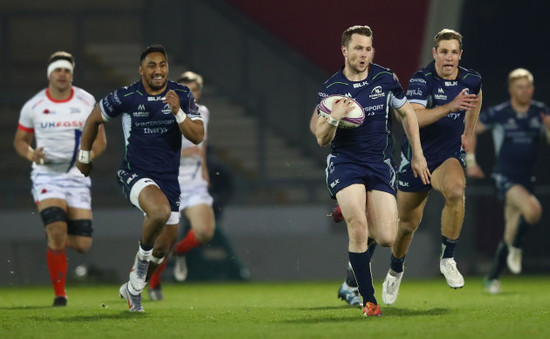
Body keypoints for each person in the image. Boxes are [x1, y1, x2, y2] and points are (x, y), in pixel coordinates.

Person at [76, 45, 204, 312]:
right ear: (141, 69)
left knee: (164, 248)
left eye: (162, 65)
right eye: (152, 65)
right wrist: (85, 157)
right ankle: (141, 261)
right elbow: (93, 120)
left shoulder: (181, 94)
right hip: (134, 172)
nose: (158, 70)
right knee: (159, 212)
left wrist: (178, 111)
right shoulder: (127, 95)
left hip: (169, 178)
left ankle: (133, 288)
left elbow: (197, 136)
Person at [313, 25, 430, 317]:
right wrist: (335, 118)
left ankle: (350, 207)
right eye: (357, 48)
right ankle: (369, 301)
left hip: (378, 164)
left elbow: (407, 114)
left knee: (387, 237)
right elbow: (321, 138)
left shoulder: (385, 79)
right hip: (345, 163)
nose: (363, 54)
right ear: (345, 51)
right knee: (359, 227)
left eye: (368, 49)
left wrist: (418, 154)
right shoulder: (331, 88)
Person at [381, 29, 482, 305]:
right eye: (444, 52)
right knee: (406, 226)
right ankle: (395, 270)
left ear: (460, 55)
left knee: (456, 189)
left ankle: (448, 258)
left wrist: (469, 131)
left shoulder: (470, 78)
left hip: (447, 157)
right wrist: (450, 107)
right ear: (435, 54)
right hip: (417, 159)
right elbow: (413, 117)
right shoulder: (421, 79)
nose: (449, 58)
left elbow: (476, 96)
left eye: (454, 52)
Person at [13, 51, 107, 306]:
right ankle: (60, 294)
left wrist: (87, 157)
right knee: (56, 231)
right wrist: (33, 154)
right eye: (58, 70)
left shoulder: (87, 101)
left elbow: (100, 141)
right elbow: (20, 142)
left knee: (82, 245)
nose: (62, 75)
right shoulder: (33, 106)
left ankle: (57, 235)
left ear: (71, 74)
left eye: (66, 70)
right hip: (47, 177)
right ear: (50, 75)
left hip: (77, 177)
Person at [466, 68, 550, 294]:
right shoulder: (500, 113)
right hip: (505, 177)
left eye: (529, 87)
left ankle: (491, 278)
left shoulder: (541, 111)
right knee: (533, 210)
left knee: (510, 229)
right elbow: (472, 130)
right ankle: (517, 247)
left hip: (527, 178)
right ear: (512, 89)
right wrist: (471, 161)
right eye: (520, 87)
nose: (526, 91)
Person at [147, 71, 216, 301]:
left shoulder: (203, 112)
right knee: (161, 243)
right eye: (186, 89)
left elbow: (202, 145)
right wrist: (183, 152)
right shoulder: (163, 112)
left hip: (194, 182)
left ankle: (180, 252)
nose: (191, 94)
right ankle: (154, 284)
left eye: (195, 90)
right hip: (170, 182)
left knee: (205, 232)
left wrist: (204, 169)